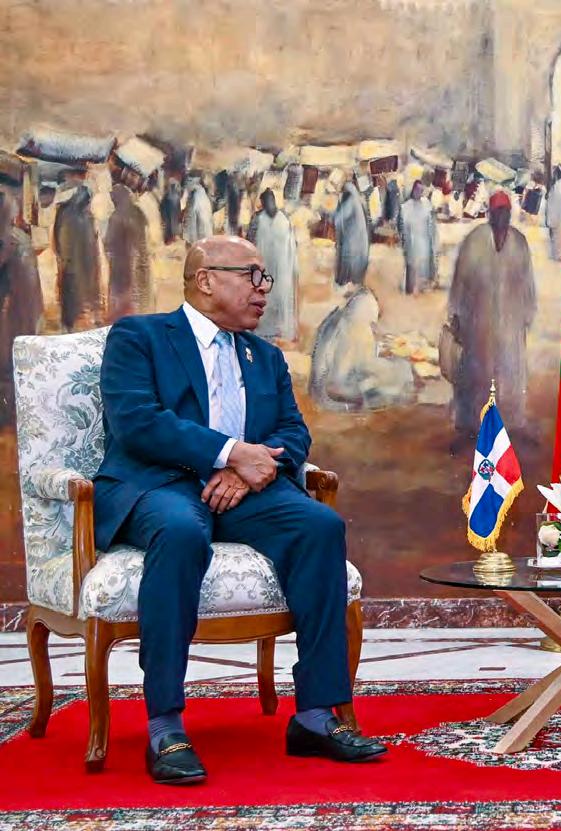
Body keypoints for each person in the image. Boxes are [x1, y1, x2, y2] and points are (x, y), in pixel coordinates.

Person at [94, 236, 387, 785]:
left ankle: (316, 716)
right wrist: (229, 453)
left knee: (320, 526)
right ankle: (165, 727)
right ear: (205, 280)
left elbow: (293, 432)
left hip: (245, 492)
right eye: (252, 275)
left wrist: (246, 470)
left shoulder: (264, 356)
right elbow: (137, 422)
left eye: (265, 277)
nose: (264, 289)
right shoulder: (139, 337)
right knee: (181, 532)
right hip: (161, 486)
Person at [446, 191, 535, 447]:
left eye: (505, 212)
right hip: (478, 322)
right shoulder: (474, 241)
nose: (501, 217)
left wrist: (527, 315)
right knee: (477, 374)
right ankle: (473, 427)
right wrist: (456, 314)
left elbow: (527, 283)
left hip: (510, 322)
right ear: (489, 214)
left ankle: (510, 425)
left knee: (510, 373)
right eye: (497, 212)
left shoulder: (519, 243)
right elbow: (460, 282)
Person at [309, 288, 414, 411]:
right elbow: (341, 380)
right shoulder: (353, 330)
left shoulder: (341, 319)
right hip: (337, 392)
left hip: (329, 387)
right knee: (402, 372)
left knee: (400, 369)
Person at [0, 193, 43, 427]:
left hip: (13, 311)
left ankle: (10, 415)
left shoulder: (8, 241)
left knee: (9, 364)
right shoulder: (20, 238)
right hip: (25, 311)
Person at [248, 189, 299, 343]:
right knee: (272, 299)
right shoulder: (281, 219)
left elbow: (249, 244)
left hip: (276, 270)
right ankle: (273, 331)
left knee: (275, 299)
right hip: (275, 270)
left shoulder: (262, 219)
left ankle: (273, 331)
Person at [54, 185, 102, 331]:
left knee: (74, 297)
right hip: (74, 265)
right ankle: (70, 326)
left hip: (77, 264)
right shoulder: (73, 215)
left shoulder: (80, 215)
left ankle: (71, 325)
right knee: (72, 298)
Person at [105, 184, 152, 322]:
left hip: (122, 269)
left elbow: (109, 243)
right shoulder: (139, 213)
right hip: (141, 265)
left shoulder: (116, 217)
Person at [399, 180, 438, 293]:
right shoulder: (406, 207)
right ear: (413, 190)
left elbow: (431, 223)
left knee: (424, 265)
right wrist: (405, 242)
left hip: (424, 240)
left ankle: (423, 286)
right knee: (412, 265)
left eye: (421, 190)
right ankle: (411, 288)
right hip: (412, 241)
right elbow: (403, 228)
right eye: (417, 190)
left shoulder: (426, 204)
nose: (419, 192)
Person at [333, 182, 370, 287]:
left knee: (348, 261)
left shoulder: (350, 201)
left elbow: (338, 219)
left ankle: (345, 284)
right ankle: (355, 284)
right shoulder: (357, 200)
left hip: (352, 239)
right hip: (359, 238)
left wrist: (335, 211)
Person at [182, 180, 213, 246]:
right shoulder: (203, 193)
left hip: (196, 210)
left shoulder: (190, 189)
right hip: (203, 210)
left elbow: (183, 203)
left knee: (194, 231)